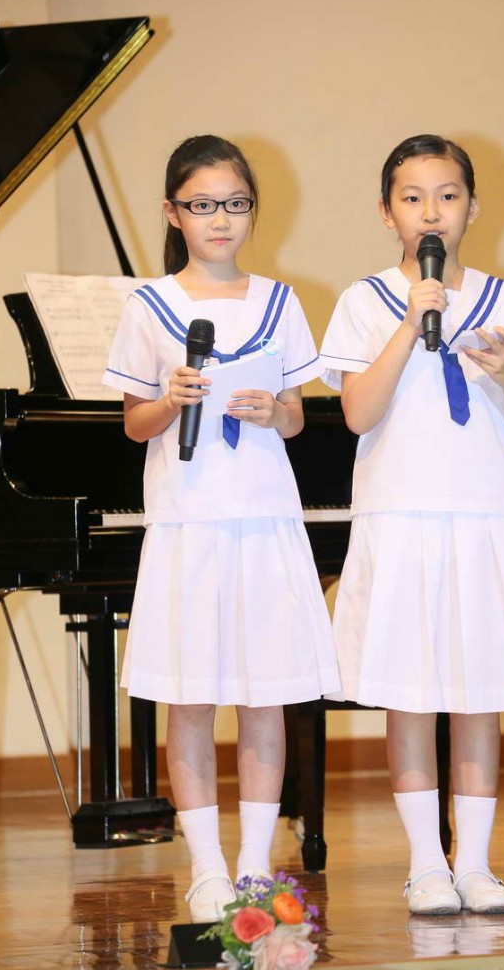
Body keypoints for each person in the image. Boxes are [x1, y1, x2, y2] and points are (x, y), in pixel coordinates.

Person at [320, 134, 504, 916]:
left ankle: (477, 864)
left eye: (447, 195)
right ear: (386, 212)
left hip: (482, 516)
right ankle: (425, 863)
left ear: (472, 206)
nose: (431, 211)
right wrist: (409, 324)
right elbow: (357, 413)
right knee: (410, 693)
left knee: (476, 692)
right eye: (412, 197)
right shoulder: (363, 300)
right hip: (399, 518)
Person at [103, 135, 340, 923]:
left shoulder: (279, 301)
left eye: (235, 204)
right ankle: (205, 867)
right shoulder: (149, 306)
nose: (220, 219)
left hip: (263, 518)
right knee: (192, 697)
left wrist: (276, 410)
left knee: (265, 697)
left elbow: (298, 414)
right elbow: (134, 424)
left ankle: (253, 865)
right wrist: (168, 400)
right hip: (189, 522)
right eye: (202, 205)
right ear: (173, 212)